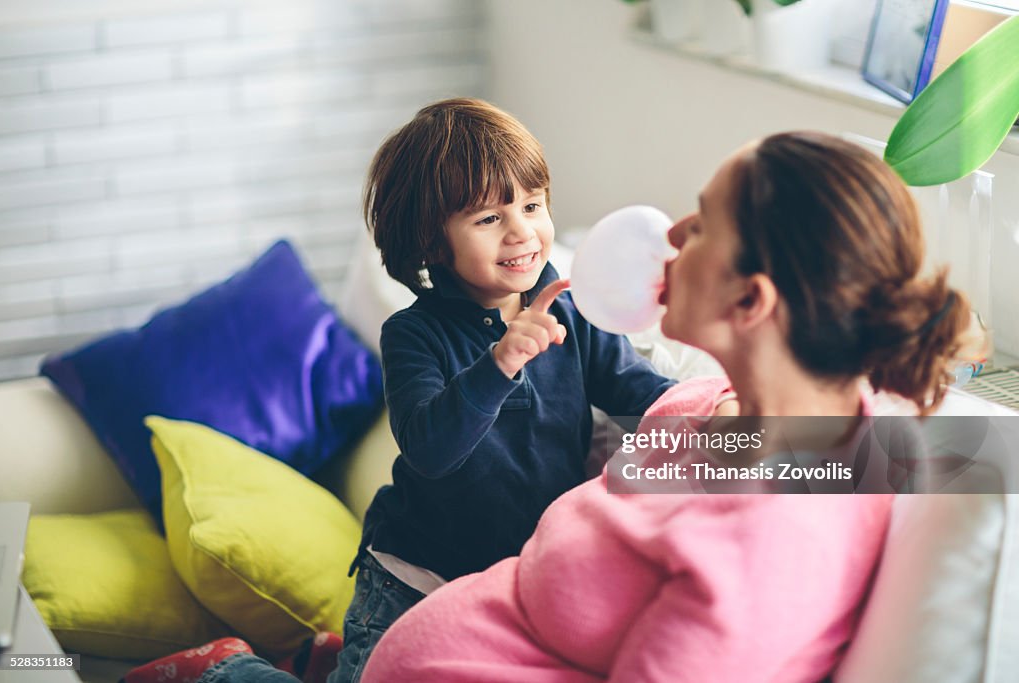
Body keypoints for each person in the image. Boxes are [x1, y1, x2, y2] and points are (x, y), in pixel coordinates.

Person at [358, 131, 971, 683]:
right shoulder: (705, 406)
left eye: (701, 224)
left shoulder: (773, 534)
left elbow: (936, 465)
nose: (668, 233)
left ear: (751, 299)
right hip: (424, 588)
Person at [121, 97, 676, 683]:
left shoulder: (572, 310)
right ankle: (225, 671)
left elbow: (644, 393)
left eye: (532, 206)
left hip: (512, 581)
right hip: (413, 580)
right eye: (489, 219)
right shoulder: (414, 333)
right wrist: (502, 361)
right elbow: (431, 449)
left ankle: (321, 657)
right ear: (433, 245)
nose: (522, 232)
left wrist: (745, 426)